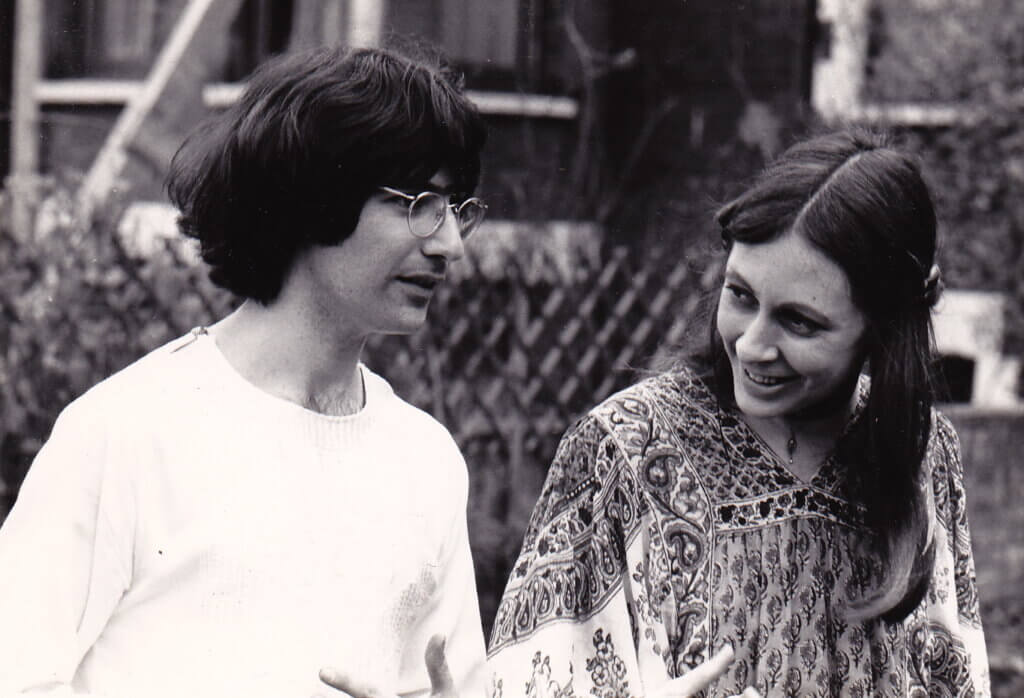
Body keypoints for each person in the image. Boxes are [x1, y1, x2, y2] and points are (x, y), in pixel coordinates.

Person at [0, 43, 490, 697]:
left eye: (457, 208)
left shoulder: (427, 460)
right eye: (420, 202)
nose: (450, 244)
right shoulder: (125, 432)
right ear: (317, 194)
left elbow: (452, 685)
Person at [485, 130, 990, 696]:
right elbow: (525, 680)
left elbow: (955, 675)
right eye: (741, 295)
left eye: (799, 321)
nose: (751, 344)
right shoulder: (624, 449)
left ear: (880, 331)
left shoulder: (923, 451)